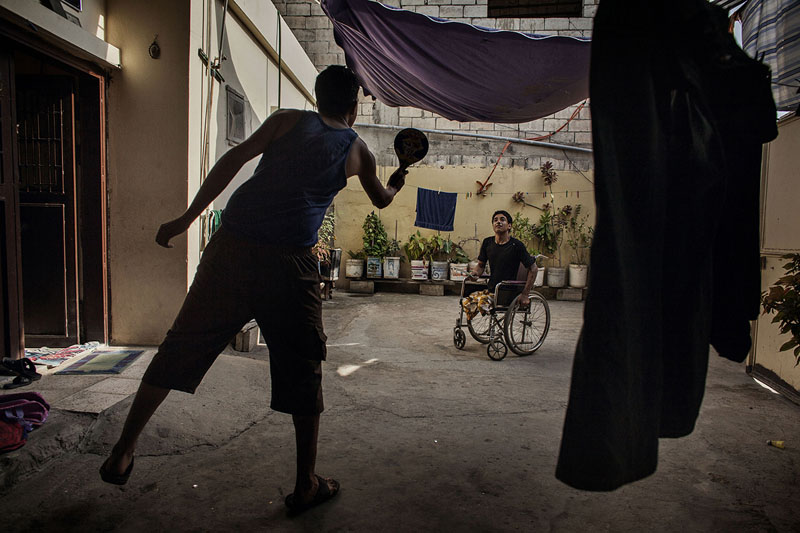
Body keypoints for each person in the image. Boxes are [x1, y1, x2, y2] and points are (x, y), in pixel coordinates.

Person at [99, 66, 406, 515]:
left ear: (317, 97)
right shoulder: (358, 150)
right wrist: (397, 180)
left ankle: (123, 451)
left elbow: (233, 160)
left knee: (181, 344)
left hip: (233, 249)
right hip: (291, 265)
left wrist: (188, 219)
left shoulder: (286, 119)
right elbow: (382, 199)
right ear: (354, 107)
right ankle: (306, 485)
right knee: (303, 367)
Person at [469, 210, 537, 307]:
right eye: (495, 220)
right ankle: (467, 322)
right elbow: (480, 266)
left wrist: (525, 294)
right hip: (491, 291)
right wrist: (474, 274)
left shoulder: (516, 245)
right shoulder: (487, 242)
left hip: (508, 292)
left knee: (481, 302)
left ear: (509, 226)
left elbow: (533, 269)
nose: (498, 222)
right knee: (467, 301)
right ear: (493, 225)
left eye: (502, 219)